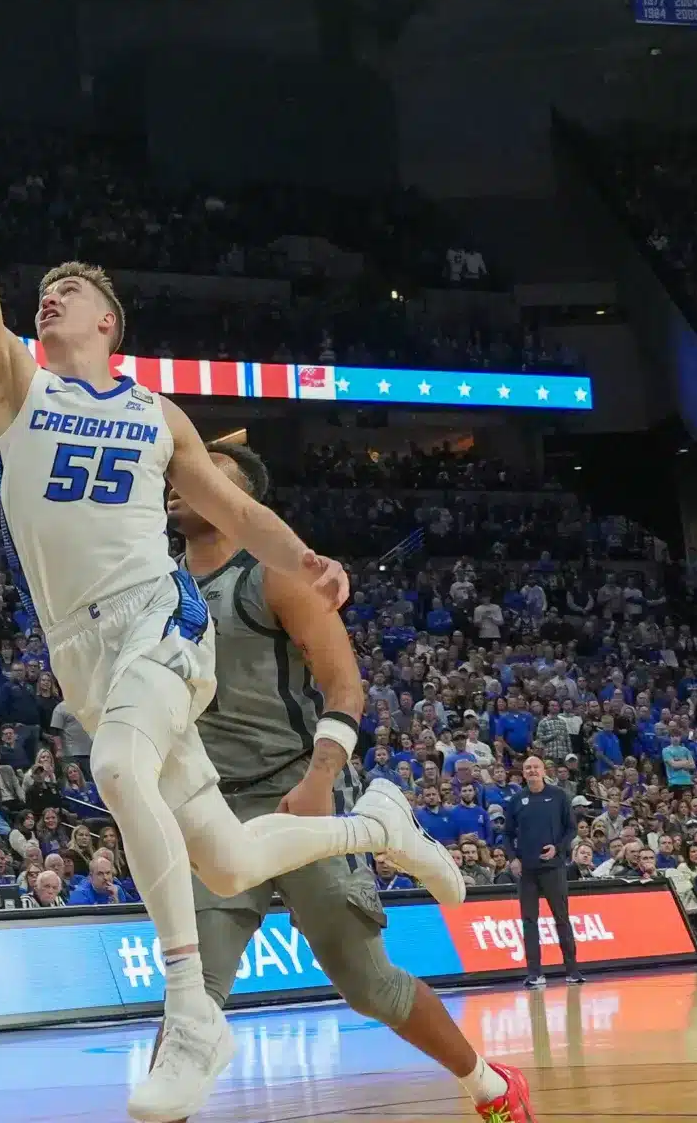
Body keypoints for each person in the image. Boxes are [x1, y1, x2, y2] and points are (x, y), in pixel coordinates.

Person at [0, 24, 456, 1122]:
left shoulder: (156, 416)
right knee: (220, 856)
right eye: (45, 291)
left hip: (159, 621)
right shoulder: (12, 387)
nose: (47, 298)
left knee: (117, 765)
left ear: (109, 322)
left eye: (67, 291)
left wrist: (302, 554)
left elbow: (232, 507)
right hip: (80, 645)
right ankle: (380, 826)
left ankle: (190, 1010)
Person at [175, 440, 532, 1122]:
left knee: (368, 985)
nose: (178, 484)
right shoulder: (158, 585)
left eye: (202, 479)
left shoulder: (273, 576)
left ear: (239, 503)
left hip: (299, 790)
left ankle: (489, 1083)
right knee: (192, 988)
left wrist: (320, 778)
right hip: (215, 808)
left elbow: (345, 685)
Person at [509, 755, 581, 988]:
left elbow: (571, 829)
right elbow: (507, 835)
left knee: (562, 918)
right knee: (529, 921)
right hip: (527, 870)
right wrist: (513, 859)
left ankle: (572, 970)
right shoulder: (517, 800)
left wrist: (558, 848)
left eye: (535, 767)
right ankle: (534, 973)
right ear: (523, 772)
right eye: (527, 768)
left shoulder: (559, 795)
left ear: (543, 770)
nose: (531, 771)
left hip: (553, 868)